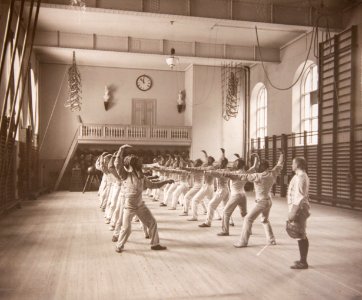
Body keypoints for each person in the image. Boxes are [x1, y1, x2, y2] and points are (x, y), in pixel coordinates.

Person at [114, 144, 174, 253]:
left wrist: (166, 181)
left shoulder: (142, 177)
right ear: (133, 165)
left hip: (140, 205)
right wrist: (121, 149)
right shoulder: (125, 175)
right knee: (126, 228)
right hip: (129, 206)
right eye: (137, 163)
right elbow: (117, 164)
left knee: (152, 222)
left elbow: (153, 185)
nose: (140, 164)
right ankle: (119, 245)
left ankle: (155, 244)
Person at [234, 151, 284, 248]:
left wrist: (230, 174)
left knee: (248, 219)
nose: (258, 167)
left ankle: (243, 242)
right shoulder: (272, 173)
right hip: (269, 201)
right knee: (265, 220)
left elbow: (243, 176)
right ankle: (271, 239)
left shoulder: (258, 176)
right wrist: (282, 155)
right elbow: (279, 164)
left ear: (264, 167)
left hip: (261, 202)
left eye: (260, 166)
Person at [215, 154, 256, 236]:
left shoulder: (235, 173)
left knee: (226, 212)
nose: (234, 164)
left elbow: (226, 174)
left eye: (235, 163)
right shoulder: (246, 172)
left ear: (238, 165)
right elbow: (254, 166)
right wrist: (256, 158)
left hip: (236, 196)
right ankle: (249, 230)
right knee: (244, 214)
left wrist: (222, 173)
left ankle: (225, 231)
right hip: (243, 195)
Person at [287, 157, 310, 269]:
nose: (292, 165)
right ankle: (302, 260)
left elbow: (299, 197)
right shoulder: (298, 176)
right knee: (299, 234)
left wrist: (293, 212)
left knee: (300, 234)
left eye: (293, 163)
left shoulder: (301, 177)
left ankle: (303, 262)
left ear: (298, 165)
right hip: (297, 208)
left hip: (299, 209)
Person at [199, 149, 230, 228]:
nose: (219, 163)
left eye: (221, 162)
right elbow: (220, 162)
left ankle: (208, 222)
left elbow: (217, 173)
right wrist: (223, 153)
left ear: (223, 163)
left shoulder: (222, 170)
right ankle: (230, 222)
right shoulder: (226, 169)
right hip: (226, 190)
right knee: (225, 206)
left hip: (222, 190)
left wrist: (208, 172)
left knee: (211, 205)